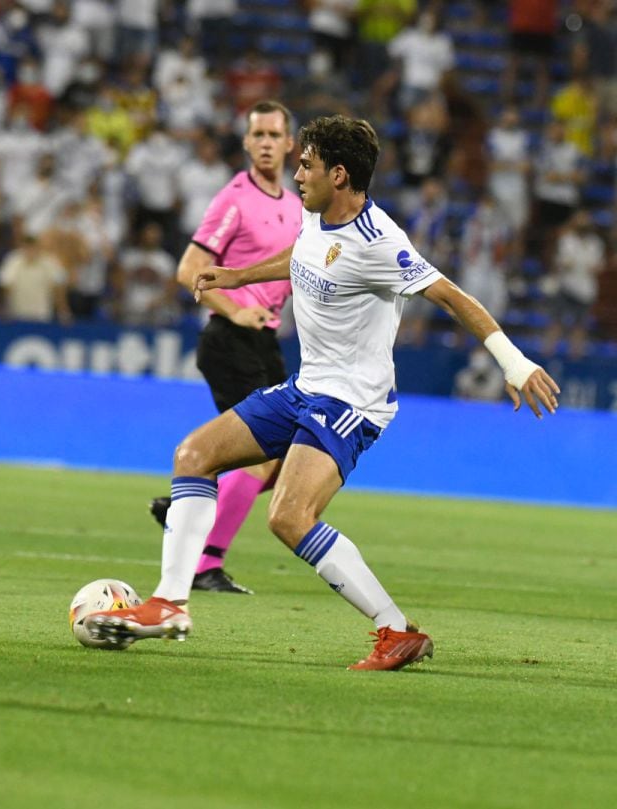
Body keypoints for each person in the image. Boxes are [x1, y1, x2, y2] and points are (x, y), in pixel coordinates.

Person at [89, 115, 560, 670]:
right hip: (303, 388)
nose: (296, 172)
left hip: (350, 404)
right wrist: (240, 276)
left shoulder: (380, 242)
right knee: (194, 455)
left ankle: (395, 629)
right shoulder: (318, 218)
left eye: (306, 164)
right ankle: (169, 603)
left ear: (339, 175)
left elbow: (453, 297)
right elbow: (303, 256)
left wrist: (514, 362)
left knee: (289, 517)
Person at [148, 100, 302, 594]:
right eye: (257, 134)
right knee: (260, 456)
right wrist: (235, 308)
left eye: (274, 135)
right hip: (229, 337)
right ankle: (204, 564)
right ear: (245, 142)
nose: (265, 144)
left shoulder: (296, 205)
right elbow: (188, 269)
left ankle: (187, 501)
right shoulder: (234, 199)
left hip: (265, 343)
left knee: (281, 464)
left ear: (289, 144)